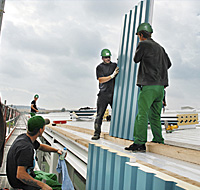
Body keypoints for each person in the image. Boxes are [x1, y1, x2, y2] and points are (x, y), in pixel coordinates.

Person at [125, 23, 172, 152]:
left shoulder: (143, 44)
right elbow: (169, 64)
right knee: (155, 116)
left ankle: (139, 143)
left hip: (149, 86)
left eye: (139, 35)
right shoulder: (160, 48)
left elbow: (136, 59)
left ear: (141, 35)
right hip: (160, 88)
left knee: (142, 114)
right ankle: (158, 139)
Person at [6, 116, 66, 190]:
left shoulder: (25, 138)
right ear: (40, 130)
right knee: (57, 187)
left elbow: (40, 146)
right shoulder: (26, 148)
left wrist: (56, 150)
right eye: (44, 127)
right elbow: (20, 175)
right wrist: (42, 185)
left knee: (52, 177)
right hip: (19, 184)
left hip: (19, 177)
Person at [91, 49, 119, 140]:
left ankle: (117, 132)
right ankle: (97, 133)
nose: (108, 58)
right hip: (103, 94)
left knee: (117, 113)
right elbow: (101, 79)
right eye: (106, 57)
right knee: (100, 114)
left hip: (113, 94)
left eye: (109, 57)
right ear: (102, 58)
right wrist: (112, 76)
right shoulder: (99, 67)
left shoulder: (114, 65)